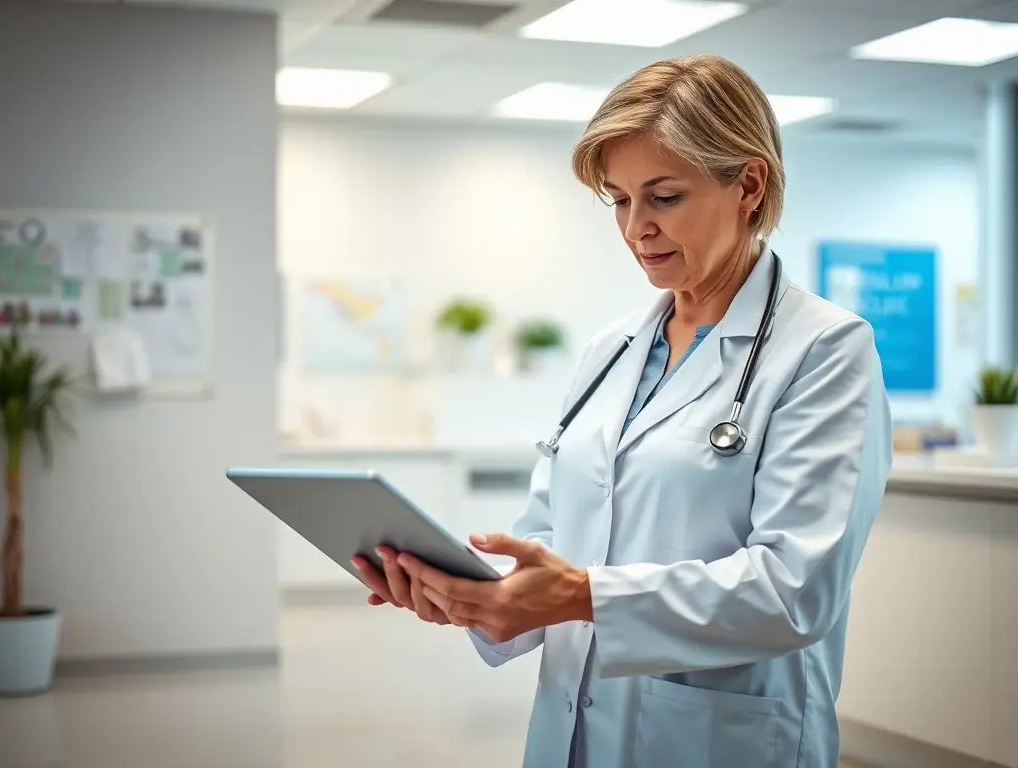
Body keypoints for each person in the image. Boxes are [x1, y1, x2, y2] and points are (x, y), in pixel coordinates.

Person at [353, 53, 893, 768]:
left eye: (664, 197)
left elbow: (794, 591)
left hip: (718, 737)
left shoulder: (825, 350)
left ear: (750, 185)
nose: (636, 227)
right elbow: (548, 538)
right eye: (618, 199)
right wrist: (471, 595)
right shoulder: (612, 350)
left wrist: (582, 595)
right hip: (571, 728)